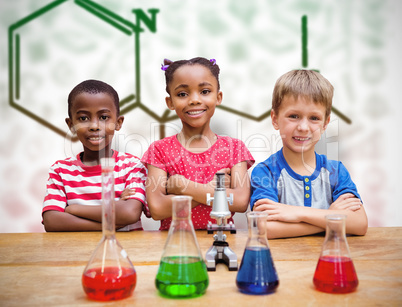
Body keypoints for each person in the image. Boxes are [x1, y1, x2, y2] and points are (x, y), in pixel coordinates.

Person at [250, 69, 368, 239]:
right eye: (294, 116)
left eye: (314, 118)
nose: (304, 127)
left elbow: (359, 224)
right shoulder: (265, 172)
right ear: (275, 119)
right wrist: (330, 218)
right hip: (284, 264)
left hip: (329, 262)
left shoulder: (336, 171)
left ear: (325, 123)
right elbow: (263, 229)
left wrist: (297, 213)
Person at [142, 57, 254, 230]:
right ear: (170, 102)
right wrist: (213, 190)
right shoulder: (159, 150)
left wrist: (183, 186)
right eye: (182, 94)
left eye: (204, 91)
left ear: (218, 97)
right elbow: (157, 209)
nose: (194, 100)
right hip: (174, 246)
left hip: (222, 243)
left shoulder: (234, 148)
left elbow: (239, 202)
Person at [42, 79, 148, 231]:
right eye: (83, 118)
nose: (94, 126)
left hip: (125, 251)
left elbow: (129, 213)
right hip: (75, 253)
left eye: (104, 117)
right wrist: (112, 221)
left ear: (118, 122)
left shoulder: (131, 166)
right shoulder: (60, 170)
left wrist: (74, 209)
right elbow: (52, 221)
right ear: (71, 125)